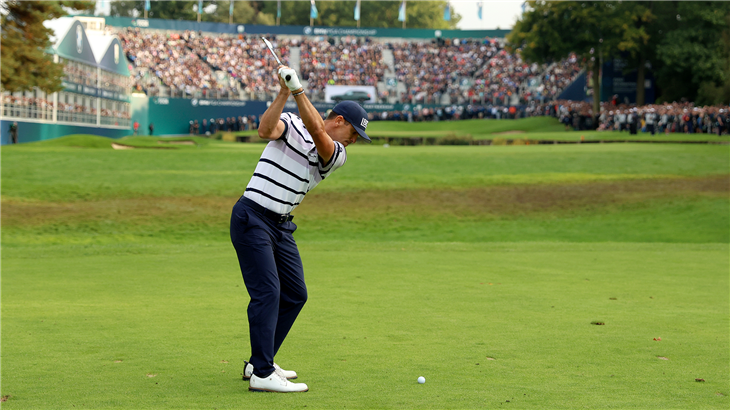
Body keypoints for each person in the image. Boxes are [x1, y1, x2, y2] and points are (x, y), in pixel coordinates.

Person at [230, 64, 370, 393]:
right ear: (340, 121)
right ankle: (262, 373)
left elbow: (318, 133)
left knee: (295, 294)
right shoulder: (291, 122)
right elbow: (265, 130)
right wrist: (283, 92)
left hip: (280, 226)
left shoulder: (336, 153)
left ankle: (259, 361)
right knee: (268, 292)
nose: (354, 141)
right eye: (354, 133)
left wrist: (297, 90)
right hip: (253, 217)